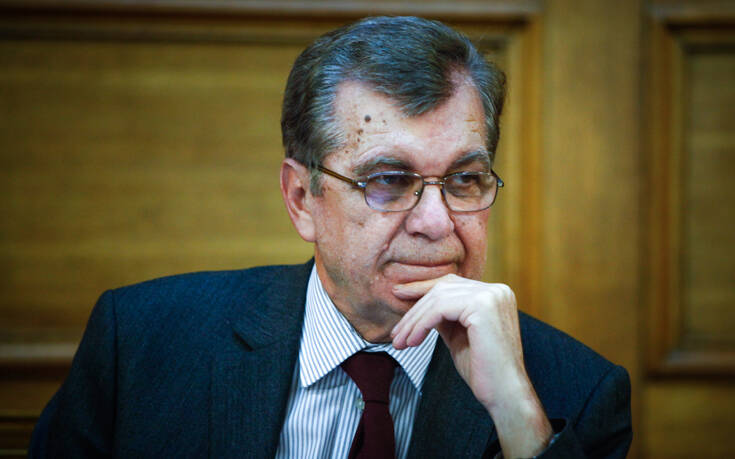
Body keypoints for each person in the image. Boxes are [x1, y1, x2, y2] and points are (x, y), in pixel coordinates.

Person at [30, 16, 632, 458]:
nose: (436, 222)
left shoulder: (575, 393)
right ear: (302, 199)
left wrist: (518, 419)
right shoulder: (142, 343)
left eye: (464, 179)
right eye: (389, 181)